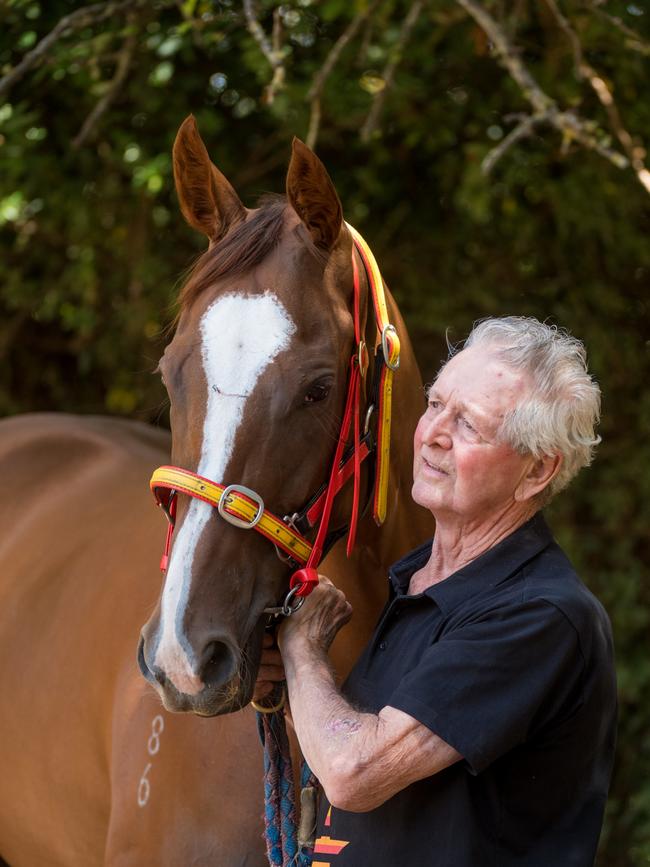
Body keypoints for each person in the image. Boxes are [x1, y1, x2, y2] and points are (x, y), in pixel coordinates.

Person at [255, 316, 617, 867]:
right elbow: (345, 753)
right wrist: (285, 690)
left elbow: (354, 772)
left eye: (469, 425)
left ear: (538, 470)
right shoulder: (419, 580)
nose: (432, 434)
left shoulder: (539, 615)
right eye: (434, 404)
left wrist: (302, 650)